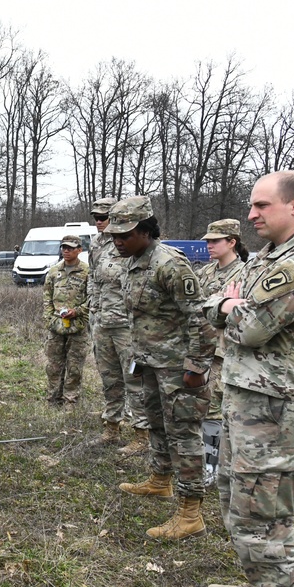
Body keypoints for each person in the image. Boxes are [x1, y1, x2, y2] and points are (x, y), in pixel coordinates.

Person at [202, 171, 294, 587]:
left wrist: (227, 310)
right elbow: (220, 307)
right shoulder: (268, 257)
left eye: (261, 206)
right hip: (248, 398)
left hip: (276, 408)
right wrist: (227, 307)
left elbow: (250, 329)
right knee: (238, 499)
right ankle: (265, 585)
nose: (252, 214)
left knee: (264, 509)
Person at [110, 196, 216, 540]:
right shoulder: (134, 261)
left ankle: (190, 513)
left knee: (184, 433)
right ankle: (160, 481)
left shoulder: (170, 264)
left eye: (124, 235)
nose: (117, 241)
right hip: (150, 361)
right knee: (156, 422)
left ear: (145, 230)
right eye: (114, 235)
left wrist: (197, 366)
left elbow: (200, 318)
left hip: (177, 366)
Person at [87, 197, 150, 452]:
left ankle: (141, 434)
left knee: (134, 378)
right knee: (109, 377)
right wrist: (93, 305)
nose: (100, 222)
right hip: (102, 322)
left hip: (127, 324)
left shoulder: (131, 244)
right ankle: (111, 426)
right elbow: (93, 277)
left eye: (104, 217)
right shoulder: (96, 244)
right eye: (97, 218)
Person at [194, 219, 248, 485]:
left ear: (232, 242)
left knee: (215, 410)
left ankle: (212, 467)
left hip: (224, 352)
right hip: (200, 349)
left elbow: (241, 316)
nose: (209, 245)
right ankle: (206, 460)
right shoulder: (205, 272)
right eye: (207, 241)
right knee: (199, 407)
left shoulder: (245, 274)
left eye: (215, 241)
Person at [43, 235, 90, 406]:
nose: (66, 251)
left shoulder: (87, 272)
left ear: (79, 250)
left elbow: (92, 298)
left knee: (74, 366)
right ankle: (53, 399)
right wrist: (49, 318)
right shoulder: (54, 271)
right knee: (54, 366)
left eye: (70, 248)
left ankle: (70, 400)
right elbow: (47, 296)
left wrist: (77, 311)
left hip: (77, 326)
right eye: (64, 247)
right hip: (56, 326)